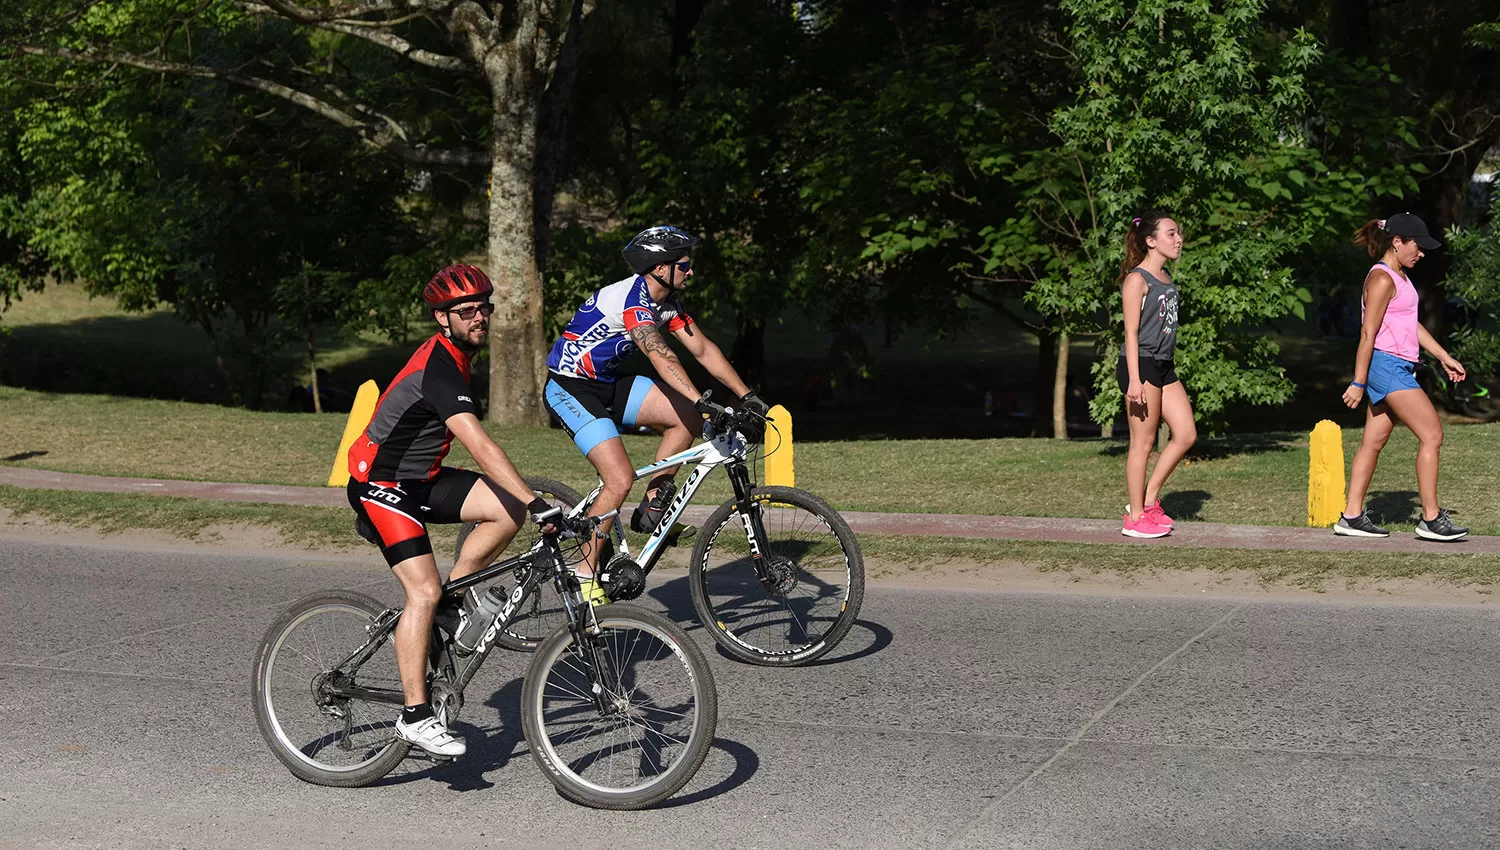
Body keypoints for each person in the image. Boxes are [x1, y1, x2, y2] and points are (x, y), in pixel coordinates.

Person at [346, 263, 561, 759]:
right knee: (420, 588)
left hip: (419, 481)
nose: (479, 317)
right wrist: (536, 500)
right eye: (467, 311)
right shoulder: (439, 367)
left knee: (506, 507)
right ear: (443, 318)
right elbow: (480, 444)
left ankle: (451, 604)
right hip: (380, 485)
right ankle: (415, 715)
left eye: (483, 308)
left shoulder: (458, 356)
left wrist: (522, 501)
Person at [543, 226, 768, 600]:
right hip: (570, 387)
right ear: (661, 269)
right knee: (618, 479)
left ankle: (652, 506)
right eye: (684, 264)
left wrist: (748, 396)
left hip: (609, 382)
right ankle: (583, 577)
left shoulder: (668, 302)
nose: (690, 270)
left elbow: (703, 350)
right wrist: (702, 399)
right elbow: (660, 356)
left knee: (686, 419)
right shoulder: (634, 300)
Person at [1336, 213, 1468, 541]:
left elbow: (1411, 325)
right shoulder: (1381, 279)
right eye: (1417, 246)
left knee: (1374, 440)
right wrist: (1358, 381)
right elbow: (1368, 333)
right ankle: (1431, 519)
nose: (1421, 253)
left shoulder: (1400, 277)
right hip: (1387, 367)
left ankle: (1351, 516)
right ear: (1398, 243)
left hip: (1396, 365)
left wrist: (1443, 355)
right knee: (1433, 434)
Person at [1116, 210, 1196, 539]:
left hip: (1164, 364)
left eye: (1178, 234)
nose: (1178, 240)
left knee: (1186, 434)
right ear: (1151, 241)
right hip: (1142, 366)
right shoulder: (1137, 280)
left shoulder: (1165, 277)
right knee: (1143, 443)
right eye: (1171, 234)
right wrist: (1134, 380)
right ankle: (1135, 519)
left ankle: (1148, 501)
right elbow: (1130, 334)